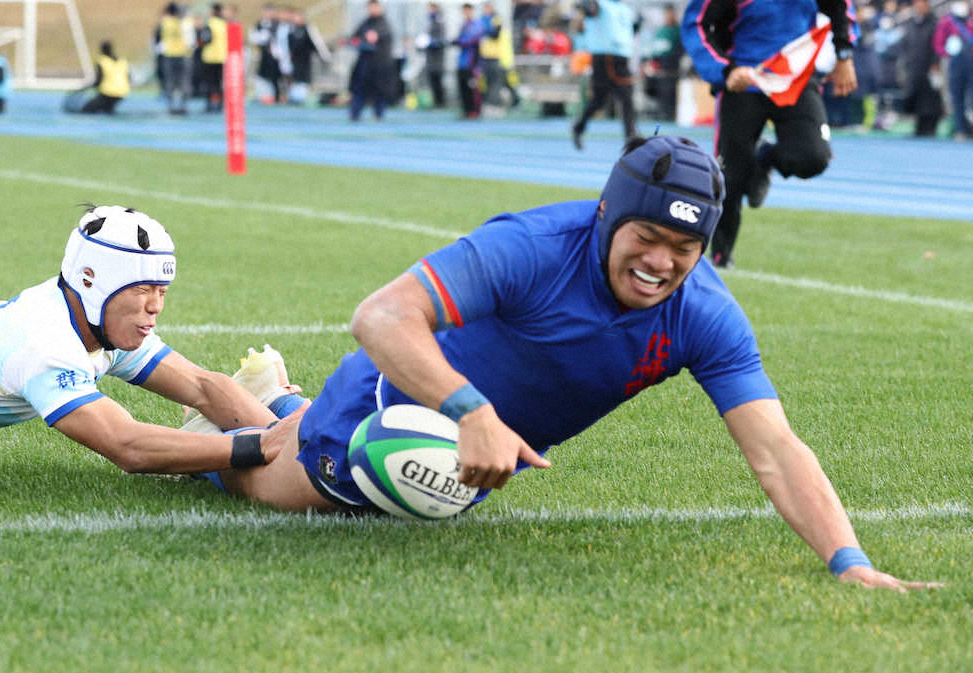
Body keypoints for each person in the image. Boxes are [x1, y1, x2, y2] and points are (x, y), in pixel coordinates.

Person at [191, 134, 937, 592]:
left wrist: (850, 560)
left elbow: (775, 449)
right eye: (648, 236)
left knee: (390, 497)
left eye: (685, 249)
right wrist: (472, 411)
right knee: (261, 486)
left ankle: (275, 397)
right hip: (388, 407)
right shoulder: (535, 245)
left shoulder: (704, 314)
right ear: (609, 215)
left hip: (472, 459)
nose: (661, 263)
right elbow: (379, 317)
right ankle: (214, 425)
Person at [0, 205, 301, 475]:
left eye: (161, 291)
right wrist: (263, 444)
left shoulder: (95, 317)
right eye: (141, 289)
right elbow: (128, 446)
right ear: (89, 280)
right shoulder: (45, 341)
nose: (156, 306)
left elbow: (202, 388)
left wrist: (291, 438)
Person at [681, 0, 858, 269]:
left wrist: (844, 54)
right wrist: (725, 70)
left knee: (814, 158)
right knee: (732, 175)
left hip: (795, 79)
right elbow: (695, 24)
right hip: (744, 81)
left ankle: (765, 158)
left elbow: (840, 8)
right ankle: (721, 256)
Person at [571, 0, 638, 150]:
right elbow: (587, 7)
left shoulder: (625, 9)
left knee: (626, 98)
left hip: (621, 57)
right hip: (605, 57)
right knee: (601, 99)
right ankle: (630, 136)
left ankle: (631, 137)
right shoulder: (601, 4)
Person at [347, 0, 395, 121]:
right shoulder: (365, 22)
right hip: (365, 63)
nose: (372, 10)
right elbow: (355, 37)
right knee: (359, 89)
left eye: (374, 7)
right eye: (370, 7)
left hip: (380, 65)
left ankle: (379, 114)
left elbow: (377, 37)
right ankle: (355, 114)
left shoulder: (384, 24)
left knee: (379, 90)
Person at [901, 0, 943, 137]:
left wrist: (935, 64)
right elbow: (906, 45)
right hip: (914, 67)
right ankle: (919, 127)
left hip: (930, 67)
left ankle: (931, 127)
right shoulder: (910, 23)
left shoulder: (934, 23)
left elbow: (937, 45)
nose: (919, 6)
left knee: (931, 98)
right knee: (916, 97)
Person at [934, 0, 973, 140]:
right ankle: (961, 129)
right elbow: (938, 43)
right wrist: (948, 51)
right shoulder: (947, 21)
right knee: (957, 97)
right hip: (956, 63)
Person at [642, 3, 683, 122]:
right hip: (657, 66)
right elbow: (655, 49)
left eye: (670, 13)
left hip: (670, 67)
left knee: (668, 91)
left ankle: (668, 113)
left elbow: (679, 50)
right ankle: (659, 111)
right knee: (653, 88)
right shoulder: (661, 30)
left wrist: (667, 63)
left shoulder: (677, 31)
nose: (667, 16)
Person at [156, 2, 192, 114]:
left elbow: (158, 36)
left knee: (170, 81)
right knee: (183, 81)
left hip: (169, 54)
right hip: (183, 54)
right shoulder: (185, 22)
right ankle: (183, 105)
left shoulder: (165, 22)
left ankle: (171, 105)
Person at [80, 41, 130, 114]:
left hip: (107, 93)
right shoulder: (122, 61)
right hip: (122, 93)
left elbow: (99, 80)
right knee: (107, 110)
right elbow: (128, 78)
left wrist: (86, 87)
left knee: (86, 110)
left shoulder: (102, 61)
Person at [455, 2, 486, 119]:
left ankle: (474, 111)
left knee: (473, 88)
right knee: (463, 88)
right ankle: (466, 110)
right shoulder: (464, 25)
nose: (465, 13)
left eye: (467, 10)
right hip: (462, 62)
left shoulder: (477, 24)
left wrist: (459, 41)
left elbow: (472, 39)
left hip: (472, 63)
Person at [199, 3, 228, 112]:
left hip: (210, 57)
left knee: (209, 83)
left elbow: (205, 39)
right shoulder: (224, 24)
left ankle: (209, 104)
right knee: (219, 82)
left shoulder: (210, 24)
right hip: (221, 57)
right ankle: (220, 104)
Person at [421, 2, 448, 108]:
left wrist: (432, 42)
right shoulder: (429, 23)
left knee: (438, 81)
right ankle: (436, 101)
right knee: (432, 80)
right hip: (430, 58)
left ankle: (441, 102)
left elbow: (443, 40)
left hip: (438, 58)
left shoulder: (440, 22)